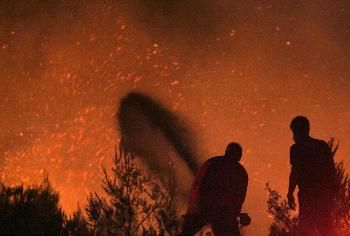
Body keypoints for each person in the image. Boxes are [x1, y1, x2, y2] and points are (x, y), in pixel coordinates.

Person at [179, 142, 249, 236]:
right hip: (219, 212)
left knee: (185, 233)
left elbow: (197, 185)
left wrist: (194, 206)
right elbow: (239, 197)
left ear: (226, 151)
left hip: (201, 207)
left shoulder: (212, 163)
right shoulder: (240, 173)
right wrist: (234, 212)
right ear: (240, 156)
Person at [287, 116, 336, 235]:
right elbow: (331, 171)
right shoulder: (322, 146)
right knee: (326, 228)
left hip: (308, 196)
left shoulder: (296, 148)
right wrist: (333, 193)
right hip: (324, 196)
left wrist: (290, 193)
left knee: (305, 229)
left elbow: (295, 172)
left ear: (296, 131)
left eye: (294, 132)